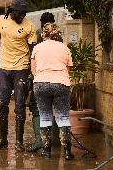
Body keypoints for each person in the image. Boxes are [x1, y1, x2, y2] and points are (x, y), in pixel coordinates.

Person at [0, 0, 37, 152]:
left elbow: (33, 50)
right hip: (4, 68)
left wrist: (32, 71)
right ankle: (2, 139)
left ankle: (18, 141)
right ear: (12, 10)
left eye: (24, 13)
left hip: (21, 69)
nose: (22, 16)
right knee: (2, 103)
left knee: (20, 105)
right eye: (20, 13)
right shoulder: (0, 20)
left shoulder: (29, 26)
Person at [31, 23, 74, 160]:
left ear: (44, 34)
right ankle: (67, 152)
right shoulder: (64, 47)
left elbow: (34, 70)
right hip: (61, 83)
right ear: (58, 34)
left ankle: (46, 151)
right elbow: (68, 69)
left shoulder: (37, 48)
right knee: (63, 117)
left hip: (41, 83)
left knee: (44, 116)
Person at [26, 12, 55, 152]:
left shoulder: (38, 34)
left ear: (42, 22)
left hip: (40, 77)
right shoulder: (58, 34)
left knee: (37, 108)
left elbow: (32, 55)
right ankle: (52, 139)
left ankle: (40, 140)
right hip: (56, 77)